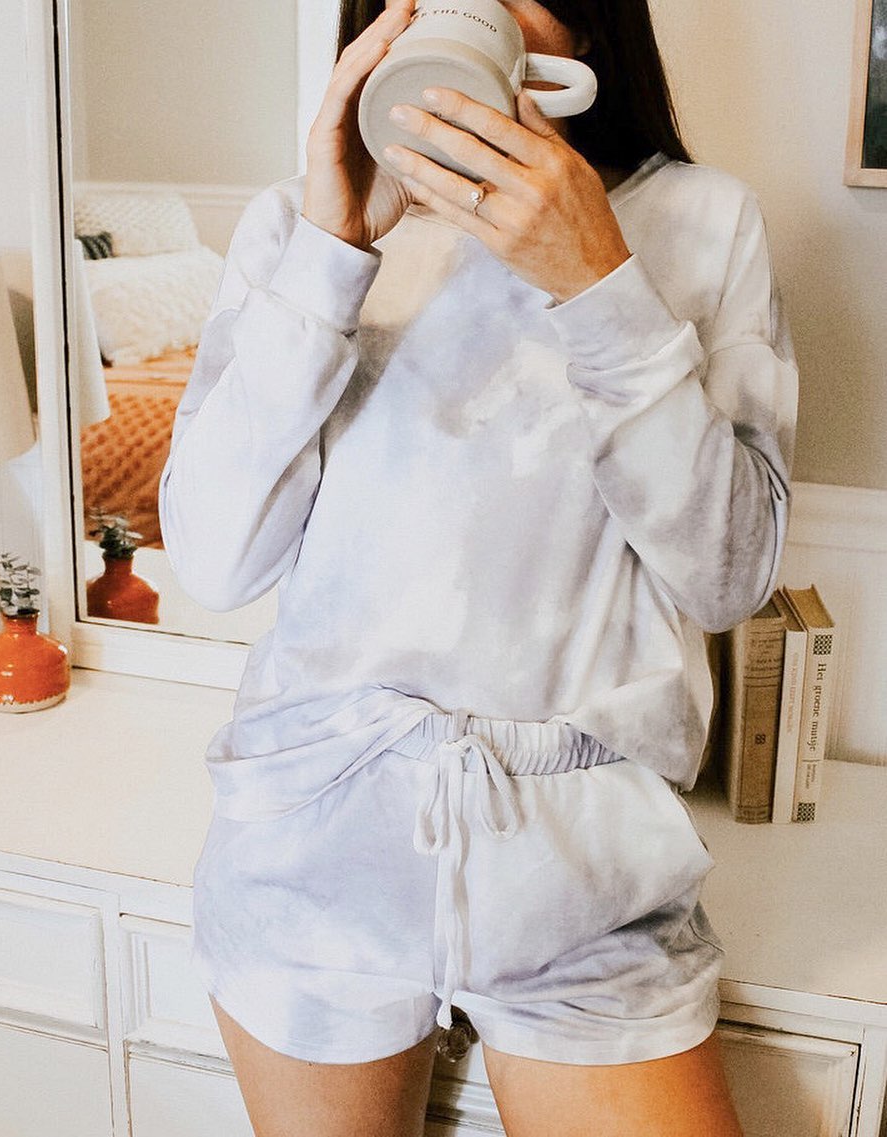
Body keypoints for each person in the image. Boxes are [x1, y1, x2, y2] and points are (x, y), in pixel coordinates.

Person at [159, 0, 797, 1132]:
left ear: (583, 38)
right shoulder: (298, 228)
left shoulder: (702, 223)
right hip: (314, 843)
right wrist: (332, 254)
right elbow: (212, 562)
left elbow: (727, 576)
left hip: (587, 880)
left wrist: (598, 281)